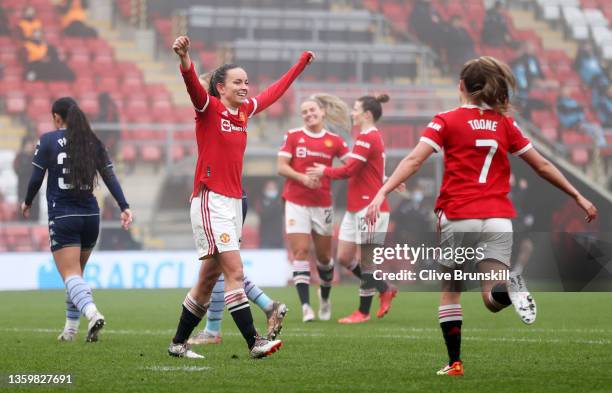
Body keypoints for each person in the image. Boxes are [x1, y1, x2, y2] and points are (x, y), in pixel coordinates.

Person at [364, 56, 597, 376]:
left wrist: (382, 191)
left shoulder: (445, 120)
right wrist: (578, 195)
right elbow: (541, 165)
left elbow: (415, 160)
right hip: (499, 218)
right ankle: (509, 288)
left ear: (461, 86)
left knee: (451, 290)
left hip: (460, 215)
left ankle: (454, 362)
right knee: (491, 296)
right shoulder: (506, 124)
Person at [168, 35, 313, 359]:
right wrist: (185, 59)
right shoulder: (209, 109)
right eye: (237, 82)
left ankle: (177, 344)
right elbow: (193, 86)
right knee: (234, 272)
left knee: (207, 282)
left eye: (247, 82)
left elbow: (274, 93)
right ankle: (254, 342)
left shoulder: (244, 111)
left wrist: (300, 65)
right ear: (220, 87)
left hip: (233, 202)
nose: (245, 87)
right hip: (211, 199)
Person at [20, 97, 133, 342]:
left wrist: (27, 201)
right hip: (91, 216)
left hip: (63, 215)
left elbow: (35, 178)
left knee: (70, 274)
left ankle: (92, 313)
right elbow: (109, 176)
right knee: (77, 275)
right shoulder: (93, 141)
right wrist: (124, 206)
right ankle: (70, 330)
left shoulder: (48, 140)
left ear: (57, 118)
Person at [307, 94, 399, 324]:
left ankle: (363, 312)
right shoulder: (365, 137)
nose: (352, 113)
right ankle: (384, 287)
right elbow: (368, 169)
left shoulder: (369, 138)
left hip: (371, 207)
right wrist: (387, 178)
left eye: (356, 109)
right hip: (355, 206)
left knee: (367, 262)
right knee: (344, 257)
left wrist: (324, 171)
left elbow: (350, 170)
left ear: (367, 114)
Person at [277, 94, 351, 322]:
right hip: (296, 202)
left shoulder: (335, 141)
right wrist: (302, 178)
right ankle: (306, 307)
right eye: (305, 112)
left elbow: (351, 166)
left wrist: (329, 173)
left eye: (312, 110)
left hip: (322, 204)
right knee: (300, 252)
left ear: (322, 113)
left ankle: (325, 299)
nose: (309, 115)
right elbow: (281, 167)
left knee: (324, 259)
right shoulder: (294, 136)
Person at [188, 189, 288, 345]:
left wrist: (200, 188)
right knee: (223, 265)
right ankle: (268, 306)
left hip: (219, 197)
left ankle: (212, 331)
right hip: (234, 196)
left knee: (218, 264)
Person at [14, 135, 40, 221]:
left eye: (31, 143)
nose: (30, 145)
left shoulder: (37, 157)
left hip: (34, 190)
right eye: (28, 144)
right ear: (24, 145)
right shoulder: (19, 156)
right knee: (22, 213)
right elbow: (17, 170)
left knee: (34, 215)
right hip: (23, 190)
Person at [257, 180, 284, 248]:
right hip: (265, 238)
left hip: (278, 238)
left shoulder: (281, 201)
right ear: (265, 190)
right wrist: (272, 203)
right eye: (269, 188)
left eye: (273, 188)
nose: (271, 191)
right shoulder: (260, 202)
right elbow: (263, 215)